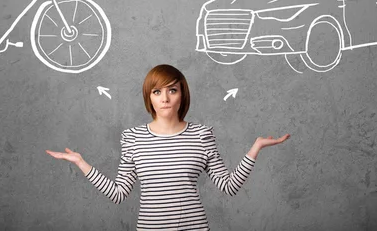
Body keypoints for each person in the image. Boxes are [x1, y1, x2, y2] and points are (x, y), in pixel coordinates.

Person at [46, 64, 290, 230]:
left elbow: (229, 187)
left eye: (172, 90)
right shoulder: (132, 137)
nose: (165, 98)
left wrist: (255, 147)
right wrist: (81, 162)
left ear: (181, 94)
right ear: (149, 96)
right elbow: (118, 193)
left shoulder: (202, 135)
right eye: (157, 91)